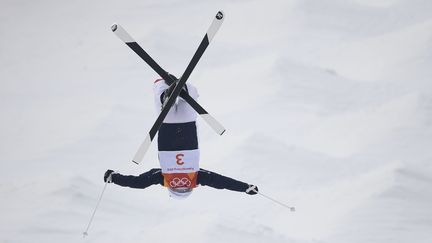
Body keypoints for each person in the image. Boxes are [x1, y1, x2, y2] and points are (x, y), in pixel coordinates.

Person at [104, 75, 258, 199]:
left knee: (192, 93)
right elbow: (139, 183)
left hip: (186, 123)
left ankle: (177, 89)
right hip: (167, 124)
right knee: (163, 92)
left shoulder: (196, 176)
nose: (181, 184)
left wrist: (245, 188)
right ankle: (165, 90)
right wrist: (114, 178)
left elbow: (220, 182)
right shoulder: (163, 177)